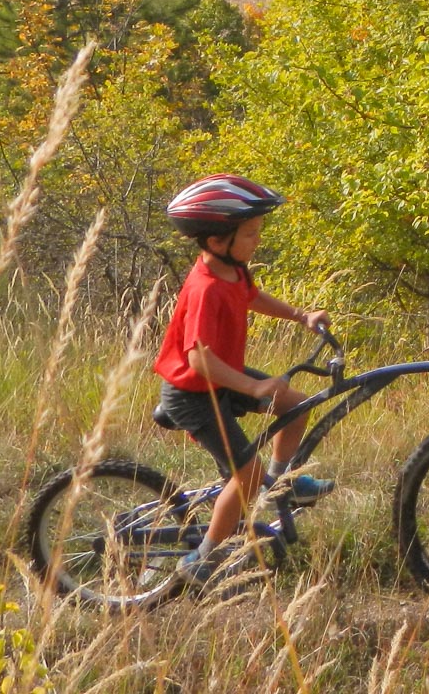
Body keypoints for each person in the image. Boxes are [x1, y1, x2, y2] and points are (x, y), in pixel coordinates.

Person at [152, 174, 335, 586]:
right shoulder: (206, 287)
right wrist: (253, 387)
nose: (256, 240)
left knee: (293, 404)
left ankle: (281, 485)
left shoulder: (234, 271)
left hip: (218, 382)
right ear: (218, 240)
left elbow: (253, 297)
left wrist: (301, 315)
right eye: (250, 233)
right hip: (194, 392)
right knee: (245, 475)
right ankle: (204, 560)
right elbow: (199, 359)